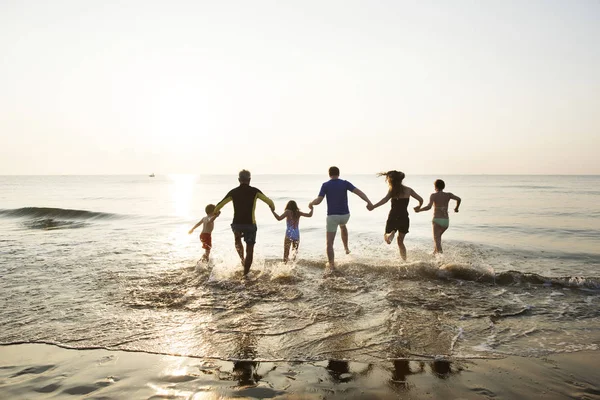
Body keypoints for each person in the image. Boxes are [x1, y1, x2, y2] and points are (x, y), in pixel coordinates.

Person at [309, 166, 373, 269]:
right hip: (345, 216)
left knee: (329, 243)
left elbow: (319, 200)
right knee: (343, 226)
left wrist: (311, 203)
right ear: (338, 174)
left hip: (332, 217)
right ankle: (346, 248)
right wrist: (369, 202)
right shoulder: (345, 183)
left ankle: (331, 265)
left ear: (329, 174)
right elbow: (359, 192)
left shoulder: (325, 185)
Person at [213, 170, 275, 276]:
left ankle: (242, 259)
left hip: (237, 225)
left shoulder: (233, 192)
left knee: (237, 241)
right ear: (249, 179)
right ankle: (245, 274)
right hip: (250, 225)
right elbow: (270, 202)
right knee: (250, 250)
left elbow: (218, 206)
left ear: (239, 180)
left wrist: (216, 212)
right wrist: (272, 208)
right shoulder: (255, 191)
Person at [368, 171, 423, 261]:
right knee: (400, 241)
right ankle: (404, 261)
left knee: (387, 238)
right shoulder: (408, 190)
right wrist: (418, 207)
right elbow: (421, 199)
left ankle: (391, 233)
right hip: (404, 217)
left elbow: (384, 200)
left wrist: (373, 206)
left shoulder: (392, 190)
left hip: (393, 216)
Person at [415, 179, 461, 254]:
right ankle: (434, 254)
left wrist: (419, 210)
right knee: (438, 239)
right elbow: (459, 199)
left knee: (437, 241)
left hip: (437, 220)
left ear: (435, 187)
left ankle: (441, 261)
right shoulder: (448, 195)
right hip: (446, 222)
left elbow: (429, 207)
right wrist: (456, 208)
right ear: (443, 186)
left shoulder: (433, 195)